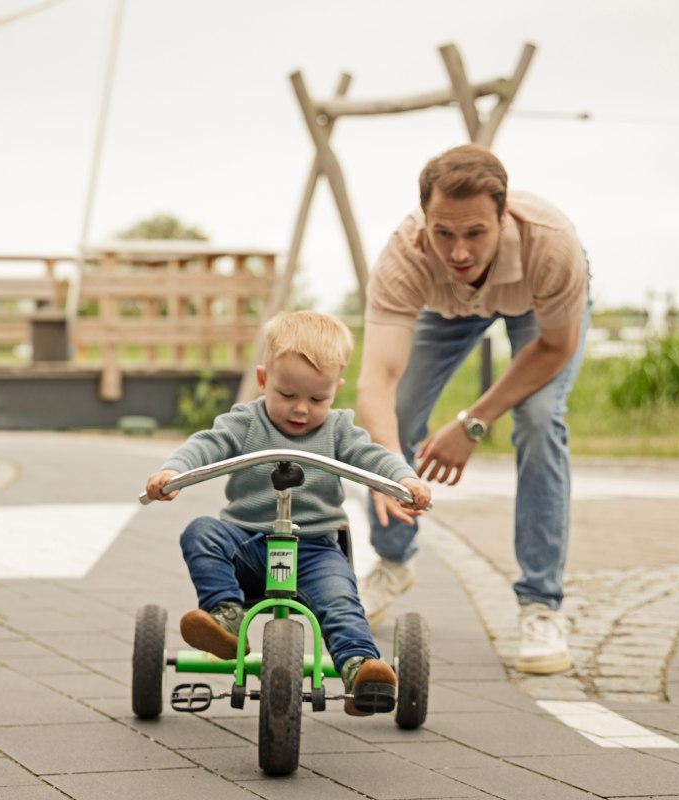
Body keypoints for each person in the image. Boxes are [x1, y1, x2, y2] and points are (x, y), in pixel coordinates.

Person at [355, 143, 590, 675]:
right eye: (444, 233)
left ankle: (540, 605)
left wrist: (473, 422)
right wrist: (386, 464)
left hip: (536, 306)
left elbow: (554, 348)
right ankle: (392, 562)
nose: (458, 252)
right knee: (396, 417)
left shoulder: (551, 244)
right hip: (447, 309)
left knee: (537, 419)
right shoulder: (405, 255)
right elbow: (377, 381)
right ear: (425, 222)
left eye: (475, 233)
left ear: (503, 217)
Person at [145, 310, 432, 714]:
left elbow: (372, 456)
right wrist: (174, 470)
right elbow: (207, 444)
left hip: (314, 550)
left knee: (340, 599)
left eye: (317, 398)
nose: (301, 409)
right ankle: (227, 616)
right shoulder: (245, 422)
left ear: (336, 389)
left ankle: (358, 667)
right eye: (287, 395)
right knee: (201, 532)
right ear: (264, 381)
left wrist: (404, 481)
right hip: (246, 543)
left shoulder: (337, 430)